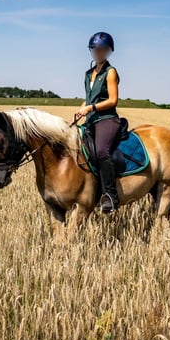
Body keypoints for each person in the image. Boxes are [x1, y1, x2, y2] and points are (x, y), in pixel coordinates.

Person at [72, 31, 121, 213]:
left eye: (102, 50)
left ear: (109, 51)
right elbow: (89, 98)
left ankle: (110, 196)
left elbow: (113, 100)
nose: (98, 53)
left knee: (101, 152)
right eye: (95, 50)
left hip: (107, 119)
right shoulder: (88, 74)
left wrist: (90, 108)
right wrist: (80, 110)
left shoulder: (111, 72)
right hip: (91, 120)